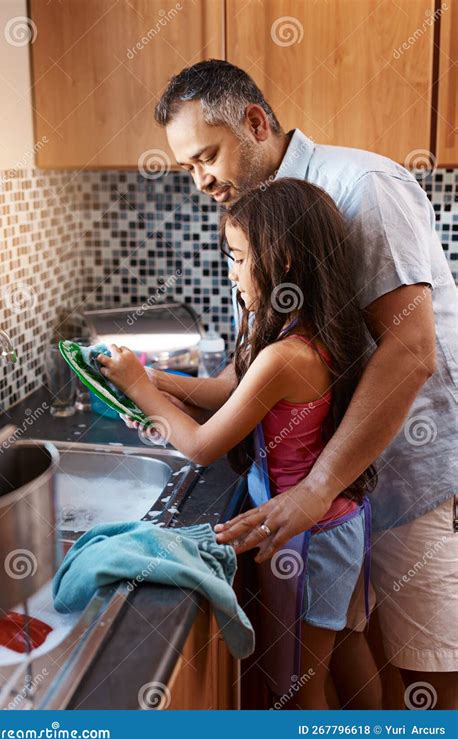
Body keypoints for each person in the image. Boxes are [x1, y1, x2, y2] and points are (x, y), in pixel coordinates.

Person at [148, 60, 457, 710]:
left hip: (410, 478)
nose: (202, 180)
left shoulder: (360, 186)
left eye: (208, 155)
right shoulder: (264, 215)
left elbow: (410, 351)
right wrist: (160, 385)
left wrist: (317, 488)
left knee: (431, 676)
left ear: (255, 122)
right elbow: (251, 365)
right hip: (347, 492)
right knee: (364, 660)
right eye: (187, 167)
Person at [98, 178, 379, 709]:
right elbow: (231, 390)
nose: (230, 271)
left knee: (296, 685)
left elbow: (202, 446)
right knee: (348, 648)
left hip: (304, 538)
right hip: (344, 521)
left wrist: (139, 389)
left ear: (285, 261)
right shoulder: (306, 329)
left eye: (237, 257)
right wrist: (157, 381)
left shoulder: (284, 357)